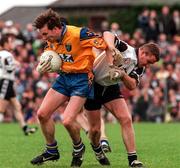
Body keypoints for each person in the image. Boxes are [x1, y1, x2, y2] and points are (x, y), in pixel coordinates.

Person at [30, 8, 110, 167]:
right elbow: (51, 57)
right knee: (42, 114)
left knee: (67, 120)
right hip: (64, 78)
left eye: (45, 34)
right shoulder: (51, 40)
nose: (43, 37)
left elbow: (103, 44)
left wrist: (108, 60)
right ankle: (52, 150)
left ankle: (78, 149)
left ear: (56, 28)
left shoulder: (78, 34)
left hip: (82, 79)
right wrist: (43, 65)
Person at [84, 31, 160, 167]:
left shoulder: (139, 68)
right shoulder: (126, 49)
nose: (148, 65)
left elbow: (131, 85)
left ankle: (133, 159)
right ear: (143, 53)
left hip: (111, 88)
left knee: (126, 119)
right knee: (95, 130)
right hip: (93, 85)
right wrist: (112, 48)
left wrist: (123, 74)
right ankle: (97, 150)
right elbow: (107, 33)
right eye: (149, 61)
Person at [0, 35, 38, 136]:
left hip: (7, 81)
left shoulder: (3, 54)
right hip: (6, 82)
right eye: (10, 42)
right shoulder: (7, 54)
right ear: (5, 44)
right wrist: (16, 64)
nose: (12, 44)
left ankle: (25, 129)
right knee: (1, 109)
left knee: (17, 106)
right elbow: (8, 68)